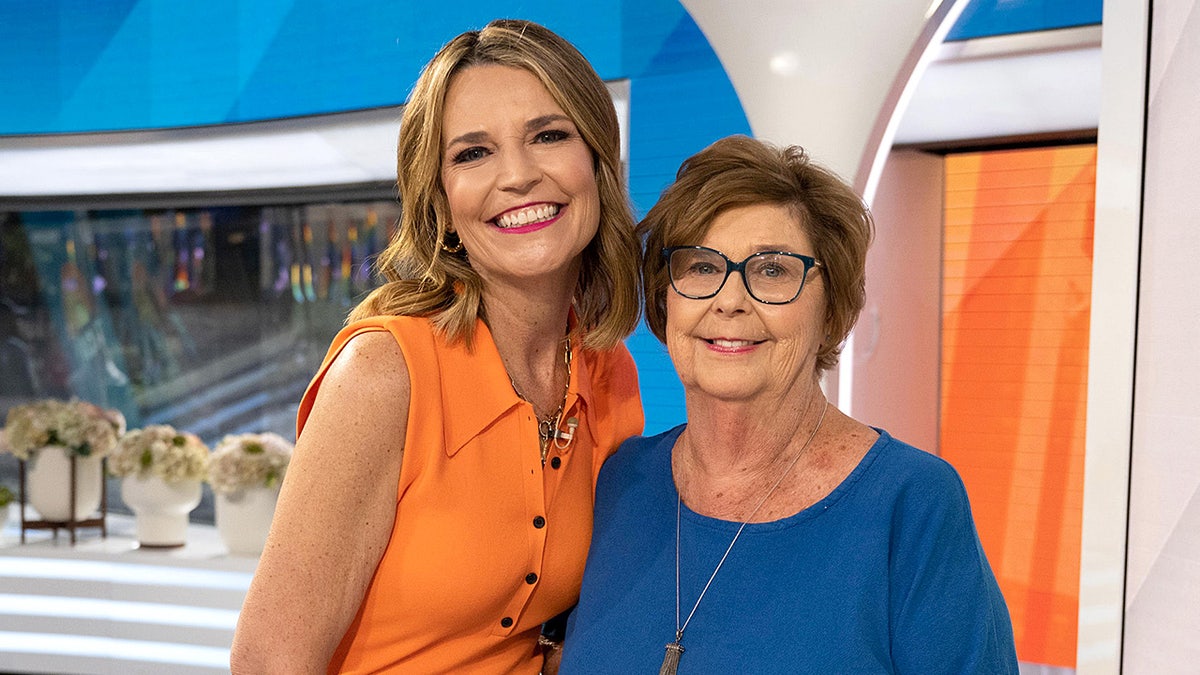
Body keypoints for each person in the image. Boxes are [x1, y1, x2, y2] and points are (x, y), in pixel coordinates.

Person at [230, 19, 643, 674]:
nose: (519, 175)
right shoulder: (382, 372)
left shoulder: (608, 367)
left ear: (597, 161)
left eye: (548, 135)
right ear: (443, 205)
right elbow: (268, 663)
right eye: (473, 153)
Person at [559, 135, 1018, 674]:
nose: (729, 301)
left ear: (831, 305)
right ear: (666, 297)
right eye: (702, 267)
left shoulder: (912, 505)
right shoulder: (617, 483)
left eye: (772, 270)